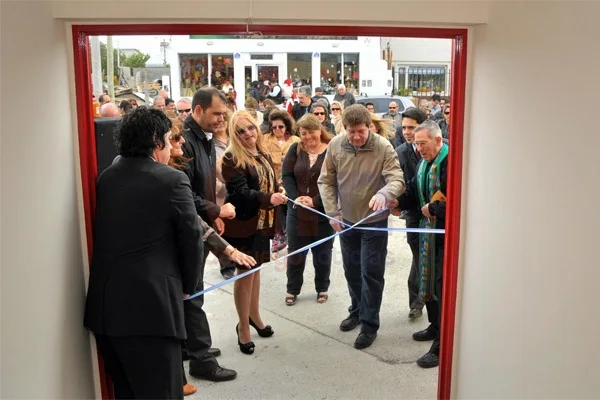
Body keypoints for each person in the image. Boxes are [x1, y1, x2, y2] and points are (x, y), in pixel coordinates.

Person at [84, 107, 203, 399]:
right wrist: (189, 288)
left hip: (107, 311)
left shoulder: (107, 177)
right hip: (153, 312)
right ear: (156, 140)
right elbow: (192, 237)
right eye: (168, 139)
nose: (171, 147)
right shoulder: (171, 180)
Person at [168, 128, 256, 396]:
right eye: (173, 138)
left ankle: (195, 351)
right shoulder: (169, 178)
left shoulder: (177, 164)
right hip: (173, 256)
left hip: (185, 249)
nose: (181, 140)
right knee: (189, 303)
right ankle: (199, 362)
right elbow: (192, 220)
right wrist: (227, 249)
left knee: (191, 304)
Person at [317, 104, 405, 349]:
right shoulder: (336, 145)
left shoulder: (383, 147)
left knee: (371, 273)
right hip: (346, 222)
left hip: (374, 224)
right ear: (344, 129)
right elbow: (325, 180)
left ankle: (369, 324)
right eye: (351, 131)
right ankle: (356, 310)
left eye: (361, 131)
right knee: (351, 270)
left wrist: (385, 193)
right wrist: (332, 213)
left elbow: (397, 179)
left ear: (370, 127)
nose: (356, 137)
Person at [180, 87, 237, 382]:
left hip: (202, 225)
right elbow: (184, 195)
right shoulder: (186, 143)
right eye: (216, 113)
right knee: (194, 294)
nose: (221, 119)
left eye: (223, 113)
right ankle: (200, 359)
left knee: (192, 293)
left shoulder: (205, 139)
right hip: (190, 231)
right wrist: (216, 212)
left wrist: (214, 214)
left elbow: (204, 184)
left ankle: (191, 348)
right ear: (198, 110)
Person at [221, 110, 287, 354]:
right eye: (241, 131)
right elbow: (240, 193)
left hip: (265, 222)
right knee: (244, 272)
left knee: (256, 269)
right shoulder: (231, 158)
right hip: (244, 224)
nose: (248, 133)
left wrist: (277, 187)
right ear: (233, 134)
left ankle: (254, 317)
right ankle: (243, 328)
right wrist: (270, 197)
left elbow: (268, 181)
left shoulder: (261, 153)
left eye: (250, 127)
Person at [390, 120, 448, 369]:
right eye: (416, 145)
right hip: (429, 233)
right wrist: (398, 203)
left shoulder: (450, 163)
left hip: (446, 237)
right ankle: (435, 326)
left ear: (437, 140)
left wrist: (433, 208)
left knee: (442, 286)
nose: (419, 149)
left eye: (423, 144)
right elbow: (414, 190)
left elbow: (459, 199)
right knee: (431, 282)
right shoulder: (424, 164)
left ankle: (442, 344)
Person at [282, 114, 334, 306]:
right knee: (295, 253)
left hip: (322, 212)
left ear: (319, 130)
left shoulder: (331, 150)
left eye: (311, 132)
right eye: (303, 133)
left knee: (323, 253)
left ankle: (322, 287)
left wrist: (315, 201)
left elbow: (335, 182)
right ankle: (292, 289)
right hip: (297, 211)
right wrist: (296, 197)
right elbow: (287, 175)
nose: (308, 137)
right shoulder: (296, 149)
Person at [394, 107, 428, 319]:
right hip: (413, 213)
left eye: (411, 128)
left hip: (435, 212)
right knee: (418, 255)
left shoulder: (439, 148)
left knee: (431, 256)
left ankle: (426, 299)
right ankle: (416, 301)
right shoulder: (400, 152)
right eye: (404, 127)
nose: (407, 132)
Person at [263, 110, 300, 252]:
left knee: (289, 208)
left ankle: (288, 235)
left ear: (287, 126)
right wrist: (280, 159)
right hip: (272, 180)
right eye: (274, 127)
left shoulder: (295, 140)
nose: (277, 130)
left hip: (290, 179)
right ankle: (279, 236)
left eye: (281, 127)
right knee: (276, 208)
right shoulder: (265, 139)